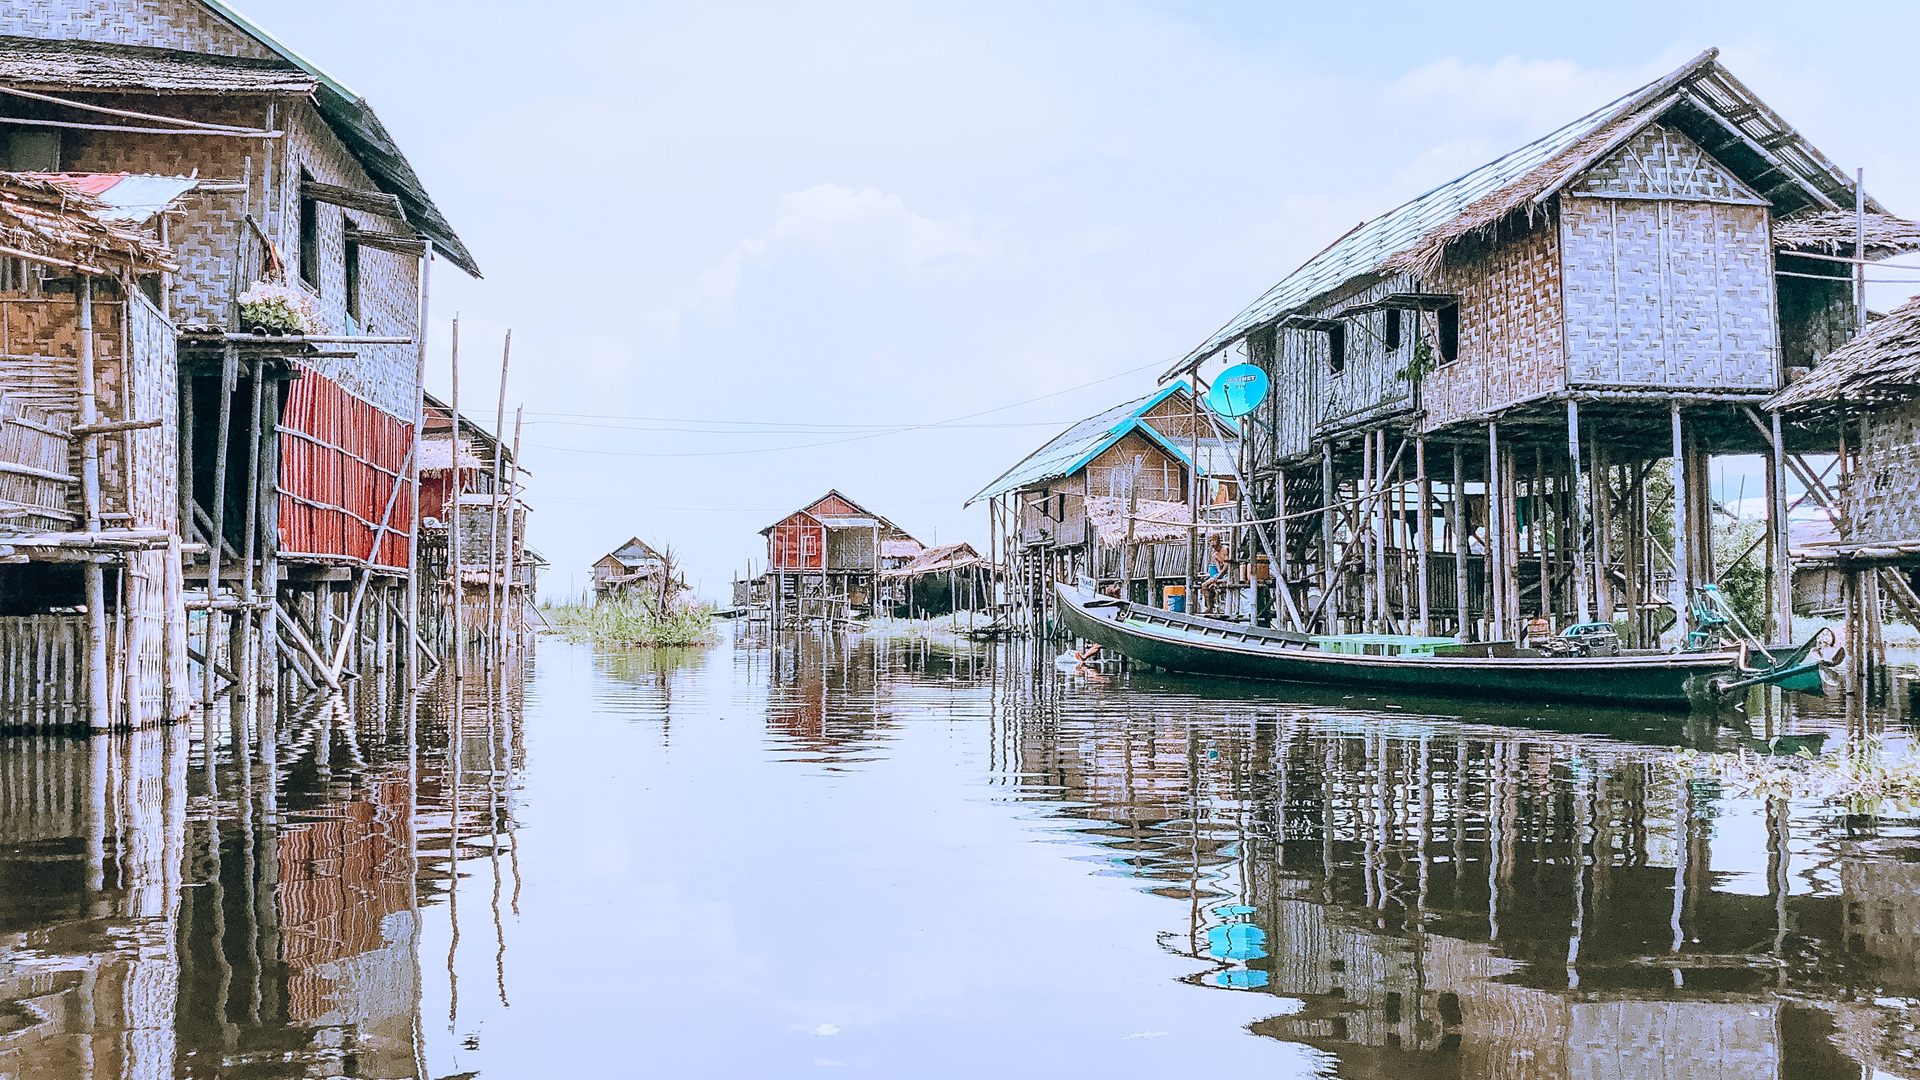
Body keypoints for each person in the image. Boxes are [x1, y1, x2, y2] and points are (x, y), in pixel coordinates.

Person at [1200, 534, 1233, 610]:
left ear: (1218, 540)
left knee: (1216, 582)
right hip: (1222, 574)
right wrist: (1217, 578)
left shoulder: (1225, 549)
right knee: (1204, 585)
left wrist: (1218, 577)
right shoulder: (1215, 555)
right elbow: (1219, 569)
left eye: (1213, 540)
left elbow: (1227, 565)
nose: (1211, 543)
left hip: (1230, 573)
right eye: (1210, 541)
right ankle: (1209, 607)